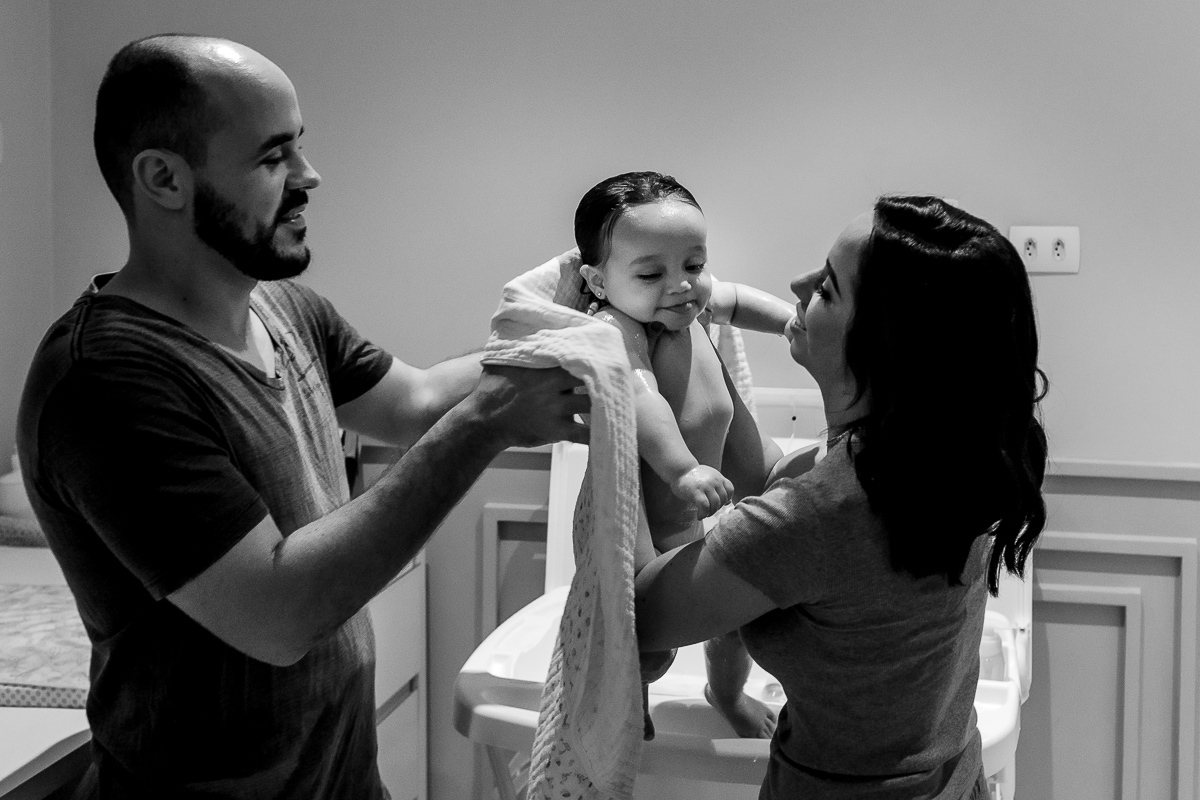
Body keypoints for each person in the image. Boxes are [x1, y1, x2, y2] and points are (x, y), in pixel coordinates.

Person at [16, 34, 587, 799]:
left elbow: (413, 401)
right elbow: (280, 615)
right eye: (273, 155)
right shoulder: (106, 380)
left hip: (340, 780)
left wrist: (568, 324)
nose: (310, 176)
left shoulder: (281, 307)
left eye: (300, 148)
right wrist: (488, 422)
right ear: (164, 178)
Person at [634, 196, 1048, 799]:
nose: (798, 286)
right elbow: (767, 480)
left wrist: (621, 404)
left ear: (884, 344)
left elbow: (643, 615)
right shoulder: (952, 462)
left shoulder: (823, 512)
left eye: (827, 288)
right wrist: (691, 330)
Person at [573, 171, 794, 738]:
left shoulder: (691, 306)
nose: (682, 286)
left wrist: (792, 324)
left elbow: (741, 302)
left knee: (735, 619)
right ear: (597, 282)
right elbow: (642, 399)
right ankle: (630, 711)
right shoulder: (614, 330)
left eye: (693, 266)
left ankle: (725, 693)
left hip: (699, 508)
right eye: (651, 273)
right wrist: (681, 467)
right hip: (645, 519)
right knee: (636, 639)